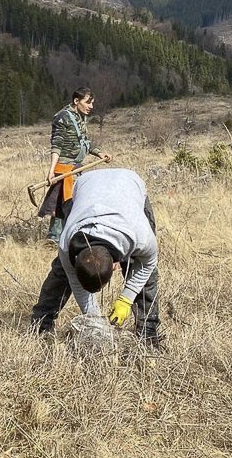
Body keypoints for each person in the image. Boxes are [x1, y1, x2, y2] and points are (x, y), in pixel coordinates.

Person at [30, 168, 164, 348]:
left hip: (128, 183)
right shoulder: (67, 244)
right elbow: (74, 281)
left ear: (116, 265)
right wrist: (95, 321)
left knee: (144, 276)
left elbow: (147, 265)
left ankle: (148, 336)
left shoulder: (140, 235)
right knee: (62, 271)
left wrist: (126, 298)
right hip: (87, 184)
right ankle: (41, 328)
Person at [39, 87, 111, 242]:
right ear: (76, 101)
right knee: (62, 202)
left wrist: (99, 153)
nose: (91, 106)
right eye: (88, 102)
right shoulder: (62, 117)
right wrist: (51, 171)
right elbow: (56, 145)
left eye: (92, 103)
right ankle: (55, 237)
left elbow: (84, 141)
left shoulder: (80, 117)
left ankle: (67, 235)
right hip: (64, 169)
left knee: (72, 202)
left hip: (76, 168)